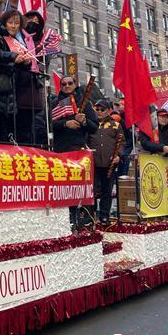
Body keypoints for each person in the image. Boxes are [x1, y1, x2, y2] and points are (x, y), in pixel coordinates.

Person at [51, 75, 98, 228]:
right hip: (60, 151)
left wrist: (84, 121)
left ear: (74, 84)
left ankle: (86, 220)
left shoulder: (84, 103)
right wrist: (65, 124)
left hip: (79, 151)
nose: (67, 86)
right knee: (64, 189)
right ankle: (66, 220)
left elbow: (94, 127)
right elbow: (47, 124)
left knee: (82, 188)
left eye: (70, 83)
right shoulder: (54, 103)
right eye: (63, 84)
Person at [0, 9, 32, 142]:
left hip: (11, 90)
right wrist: (13, 56)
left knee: (6, 130)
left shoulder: (17, 42)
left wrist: (26, 63)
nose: (13, 26)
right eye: (10, 22)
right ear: (4, 23)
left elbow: (19, 65)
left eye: (16, 23)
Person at [89, 99, 122, 225]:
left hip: (109, 164)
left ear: (108, 111)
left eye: (102, 109)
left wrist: (118, 155)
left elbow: (122, 142)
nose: (99, 111)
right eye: (96, 109)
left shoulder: (116, 125)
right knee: (91, 190)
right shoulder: (90, 124)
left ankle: (104, 216)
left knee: (106, 191)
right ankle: (90, 215)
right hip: (92, 163)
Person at [16, 10, 47, 145]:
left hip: (33, 87)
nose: (33, 22)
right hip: (17, 85)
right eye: (30, 19)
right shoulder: (17, 37)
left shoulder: (41, 43)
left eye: (37, 21)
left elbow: (43, 65)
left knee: (32, 126)